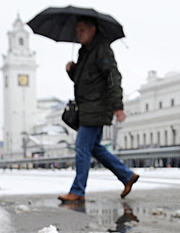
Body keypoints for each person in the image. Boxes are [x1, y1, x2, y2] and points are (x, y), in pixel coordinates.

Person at [57, 16, 139, 202]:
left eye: (82, 30)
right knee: (94, 148)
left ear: (93, 29)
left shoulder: (102, 49)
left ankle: (77, 191)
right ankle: (126, 176)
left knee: (82, 147)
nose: (79, 34)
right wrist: (72, 71)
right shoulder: (84, 52)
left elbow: (112, 77)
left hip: (97, 107)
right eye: (77, 30)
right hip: (87, 107)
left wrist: (118, 106)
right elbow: (85, 81)